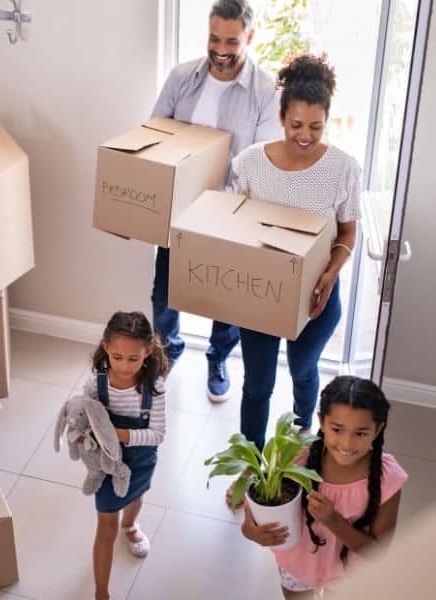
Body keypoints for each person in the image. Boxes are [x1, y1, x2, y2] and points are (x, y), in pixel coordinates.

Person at [151, 0, 282, 402]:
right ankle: (167, 351)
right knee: (164, 291)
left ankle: (217, 357)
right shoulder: (181, 78)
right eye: (213, 38)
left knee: (225, 299)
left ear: (250, 37)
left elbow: (260, 162)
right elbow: (155, 133)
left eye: (231, 40)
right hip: (178, 208)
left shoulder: (265, 91)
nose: (220, 49)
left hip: (229, 212)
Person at [230, 53, 361, 452]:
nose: (305, 135)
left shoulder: (343, 168)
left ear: (327, 121)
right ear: (281, 116)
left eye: (316, 127)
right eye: (296, 125)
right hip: (261, 295)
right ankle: (249, 465)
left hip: (317, 295)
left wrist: (330, 273)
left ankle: (305, 434)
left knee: (304, 370)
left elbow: (348, 232)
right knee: (257, 385)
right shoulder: (251, 162)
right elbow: (234, 225)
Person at [241, 375, 408, 598]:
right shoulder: (295, 458)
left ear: (377, 430)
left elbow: (378, 552)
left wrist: (333, 521)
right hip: (296, 566)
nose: (347, 444)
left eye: (360, 433)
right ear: (322, 422)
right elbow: (254, 516)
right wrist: (251, 532)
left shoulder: (388, 480)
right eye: (337, 429)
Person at [84, 311, 168, 600]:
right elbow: (84, 414)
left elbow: (158, 434)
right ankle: (101, 592)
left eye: (133, 359)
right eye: (117, 357)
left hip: (141, 459)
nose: (123, 366)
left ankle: (131, 525)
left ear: (148, 352)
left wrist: (121, 435)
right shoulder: (97, 382)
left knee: (136, 496)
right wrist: (88, 432)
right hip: (108, 463)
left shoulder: (154, 389)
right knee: (105, 527)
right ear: (106, 347)